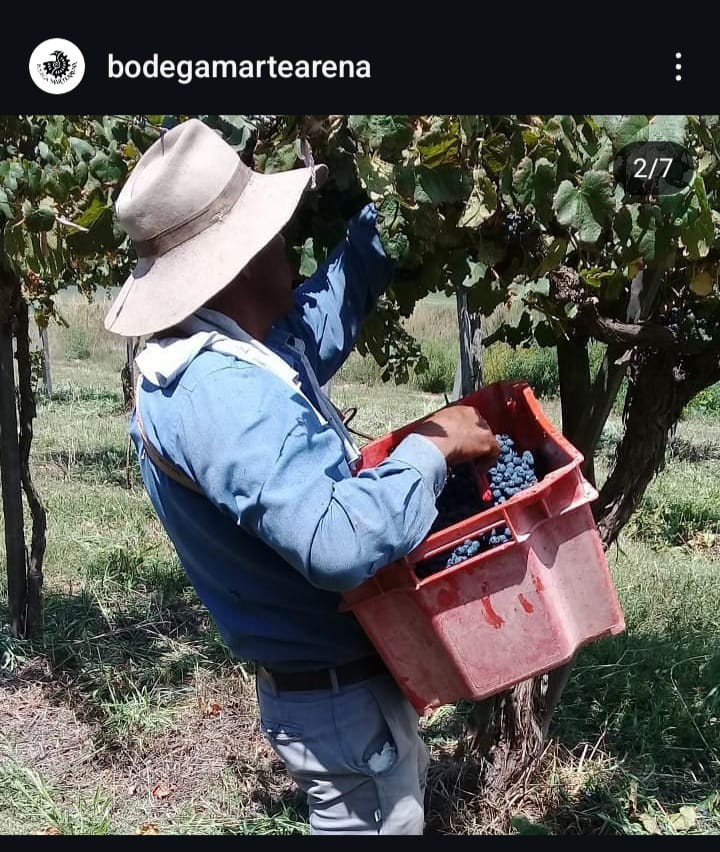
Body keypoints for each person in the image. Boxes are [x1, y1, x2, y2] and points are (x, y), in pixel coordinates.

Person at [104, 117, 500, 835]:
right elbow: (336, 541)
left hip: (332, 700)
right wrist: (433, 447)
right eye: (273, 230)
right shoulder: (220, 396)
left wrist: (399, 201)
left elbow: (323, 315)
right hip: (341, 709)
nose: (288, 240)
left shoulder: (232, 354)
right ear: (242, 258)